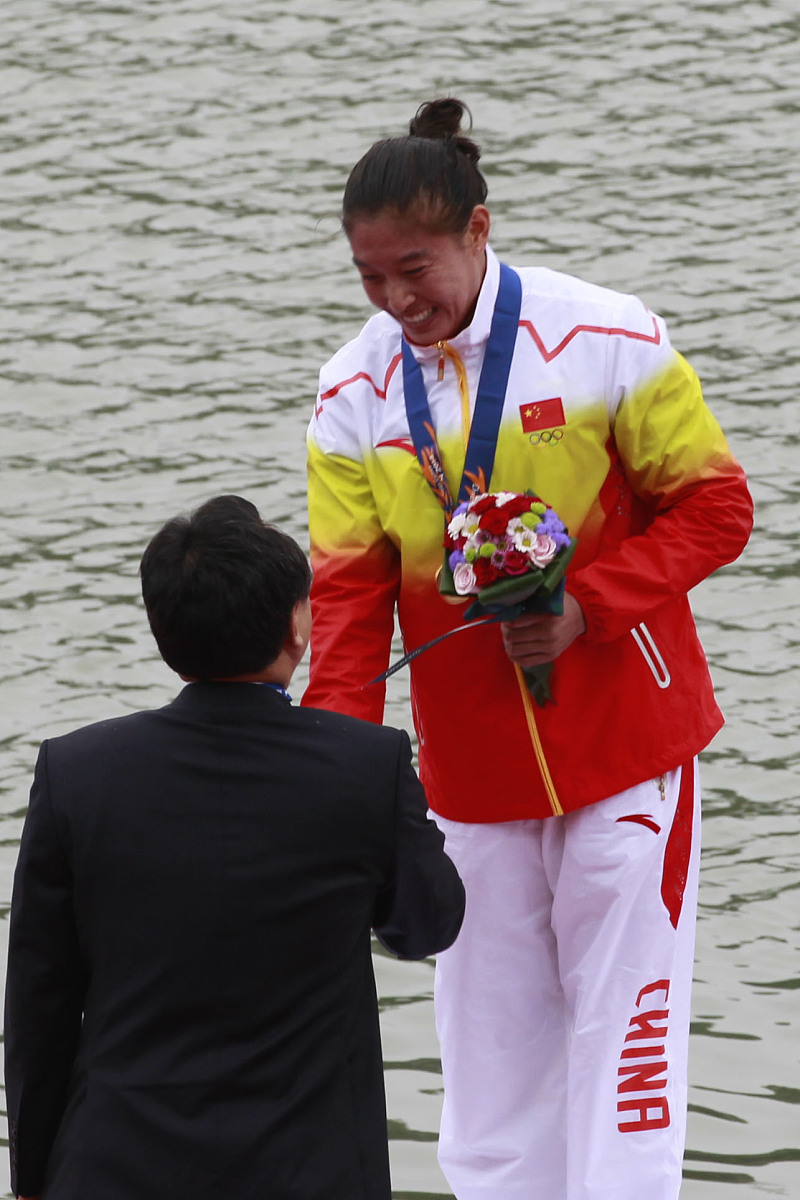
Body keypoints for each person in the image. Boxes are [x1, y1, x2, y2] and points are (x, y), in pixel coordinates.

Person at [303, 98, 754, 1200]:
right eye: (369, 278)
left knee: (622, 1057)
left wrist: (588, 605)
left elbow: (716, 509)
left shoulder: (606, 336)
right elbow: (350, 614)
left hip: (626, 749)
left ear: (477, 230)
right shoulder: (350, 395)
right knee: (490, 1075)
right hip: (469, 776)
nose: (396, 301)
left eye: (413, 267)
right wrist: (331, 793)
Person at [4, 494, 465, 1200]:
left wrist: (35, 1176)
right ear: (296, 627)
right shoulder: (364, 767)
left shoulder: (77, 773)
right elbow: (429, 923)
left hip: (114, 1168)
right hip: (313, 1171)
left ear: (164, 633)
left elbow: (38, 1004)